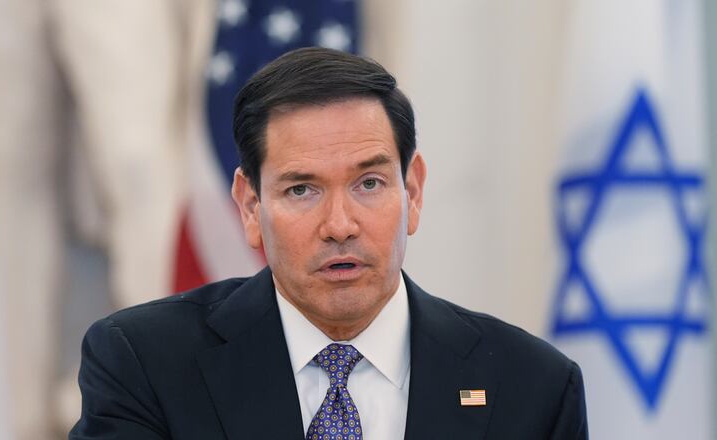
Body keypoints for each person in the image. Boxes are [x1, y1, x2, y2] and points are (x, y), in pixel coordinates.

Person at [69, 47, 588, 440]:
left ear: (412, 190)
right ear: (250, 207)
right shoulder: (144, 365)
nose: (339, 224)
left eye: (369, 184)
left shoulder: (531, 386)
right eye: (302, 189)